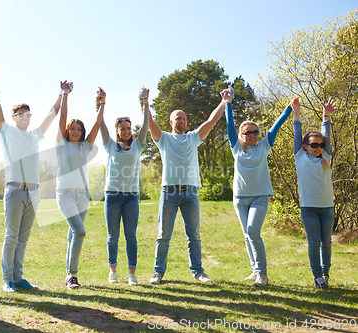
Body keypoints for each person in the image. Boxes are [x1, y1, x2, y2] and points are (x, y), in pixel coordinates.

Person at [148, 88, 231, 285]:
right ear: (171, 122)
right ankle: (157, 272)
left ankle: (198, 272)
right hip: (169, 192)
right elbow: (150, 123)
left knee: (193, 235)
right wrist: (144, 103)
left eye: (184, 118)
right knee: (163, 235)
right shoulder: (164, 139)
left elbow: (211, 121)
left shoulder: (194, 137)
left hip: (190, 193)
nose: (182, 121)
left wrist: (224, 101)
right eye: (178, 118)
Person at [0, 81, 62, 293]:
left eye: (28, 115)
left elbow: (52, 113)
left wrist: (62, 92)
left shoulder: (35, 135)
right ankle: (7, 280)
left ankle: (18, 277)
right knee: (11, 235)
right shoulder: (7, 131)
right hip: (14, 190)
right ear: (14, 117)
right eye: (21, 115)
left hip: (34, 192)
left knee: (23, 238)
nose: (25, 118)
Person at [225, 90, 295, 286]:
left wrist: (289, 108)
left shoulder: (264, 146)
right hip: (240, 198)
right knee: (247, 234)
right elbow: (229, 125)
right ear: (241, 136)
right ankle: (255, 269)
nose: (253, 135)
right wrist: (228, 103)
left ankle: (262, 274)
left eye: (256, 132)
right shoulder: (236, 147)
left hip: (260, 197)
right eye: (248, 132)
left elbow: (276, 127)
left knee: (253, 231)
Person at [100, 87, 149, 285]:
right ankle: (113, 271)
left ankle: (132, 273)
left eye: (129, 128)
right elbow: (100, 124)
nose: (127, 131)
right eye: (123, 128)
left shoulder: (138, 145)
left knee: (131, 236)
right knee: (113, 236)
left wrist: (144, 102)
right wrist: (100, 103)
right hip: (112, 196)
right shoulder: (110, 145)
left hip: (130, 197)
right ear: (117, 131)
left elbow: (146, 124)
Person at [56, 82, 104, 289]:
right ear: (67, 131)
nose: (75, 131)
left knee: (73, 234)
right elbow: (62, 118)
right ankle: (72, 275)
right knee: (80, 232)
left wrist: (102, 103)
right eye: (72, 129)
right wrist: (65, 95)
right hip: (65, 194)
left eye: (79, 129)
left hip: (82, 196)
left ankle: (68, 273)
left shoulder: (86, 147)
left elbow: (97, 123)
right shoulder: (61, 145)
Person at [293, 98, 336, 289]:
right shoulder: (300, 156)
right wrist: (296, 113)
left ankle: (325, 273)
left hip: (327, 207)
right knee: (313, 242)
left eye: (320, 144)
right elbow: (298, 132)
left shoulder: (325, 157)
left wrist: (326, 116)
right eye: (313, 145)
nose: (318, 147)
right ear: (305, 146)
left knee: (326, 242)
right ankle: (317, 275)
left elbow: (326, 134)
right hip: (308, 207)